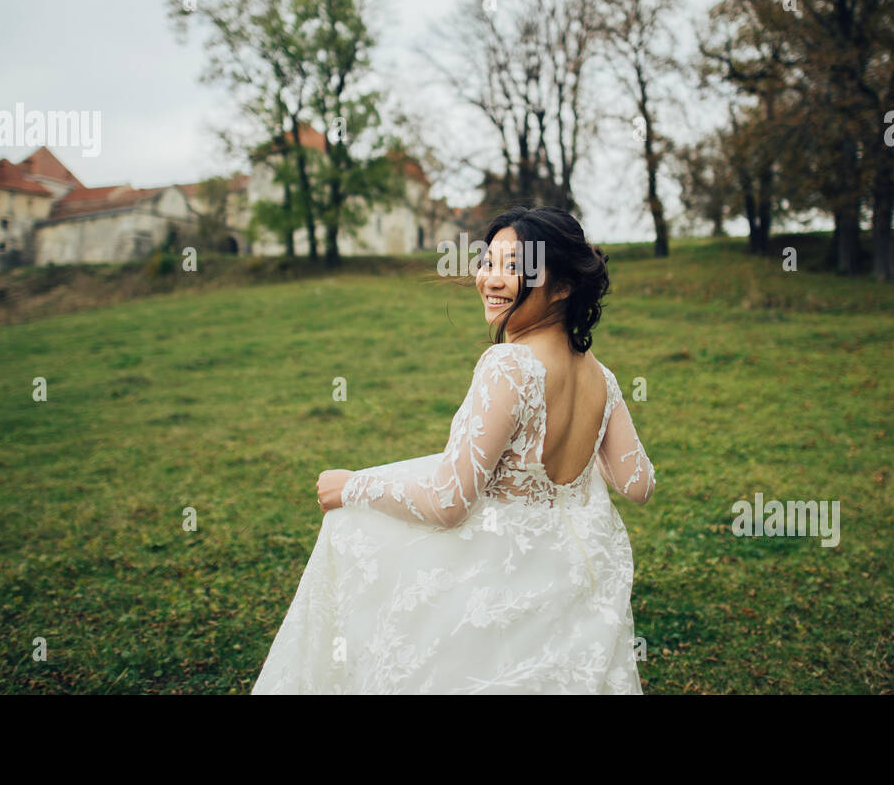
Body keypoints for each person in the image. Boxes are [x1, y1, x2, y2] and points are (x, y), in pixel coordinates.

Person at [251, 206, 656, 694]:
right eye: (489, 262)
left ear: (564, 286)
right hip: (571, 578)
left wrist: (352, 486)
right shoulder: (601, 377)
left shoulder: (510, 366)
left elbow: (448, 502)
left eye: (516, 268)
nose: (492, 279)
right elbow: (637, 485)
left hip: (501, 575)